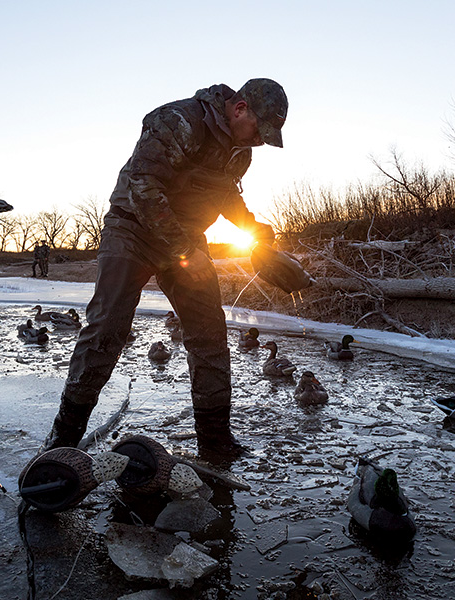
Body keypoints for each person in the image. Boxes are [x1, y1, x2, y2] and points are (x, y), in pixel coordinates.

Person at [45, 78, 286, 463]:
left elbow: (225, 196)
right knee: (107, 329)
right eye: (260, 130)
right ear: (240, 109)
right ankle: (62, 440)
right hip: (133, 229)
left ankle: (215, 441)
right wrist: (183, 254)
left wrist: (253, 230)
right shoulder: (179, 120)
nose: (260, 140)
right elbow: (144, 185)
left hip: (186, 237)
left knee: (209, 330)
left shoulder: (240, 152)